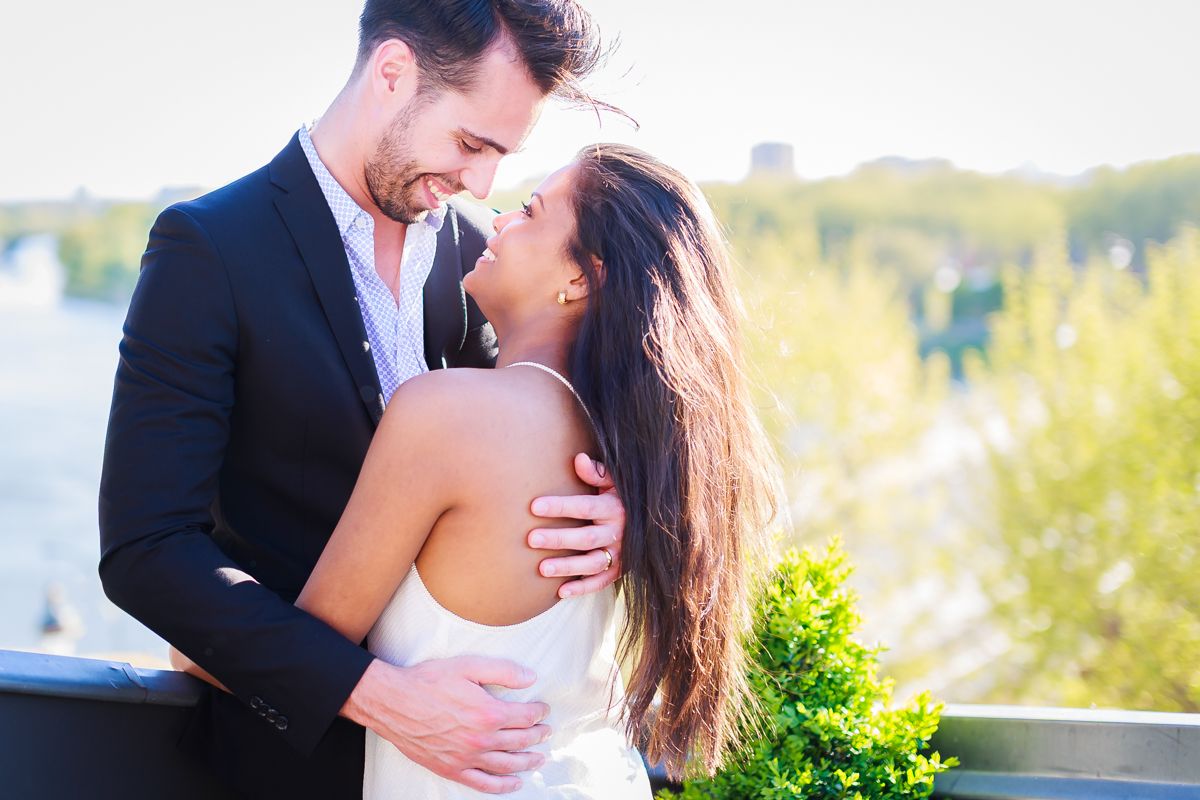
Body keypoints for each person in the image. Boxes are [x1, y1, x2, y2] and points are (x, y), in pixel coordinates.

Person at [98, 2, 628, 797]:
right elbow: (146, 550)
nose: (481, 184)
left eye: (501, 156)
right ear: (392, 74)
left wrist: (617, 503)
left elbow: (549, 426)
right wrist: (374, 694)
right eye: (470, 144)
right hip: (282, 769)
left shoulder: (482, 259)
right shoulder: (209, 248)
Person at [179, 143, 781, 797]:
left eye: (530, 212)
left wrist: (195, 646)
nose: (498, 221)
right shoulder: (638, 454)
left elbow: (305, 653)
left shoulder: (454, 416)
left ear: (581, 278)